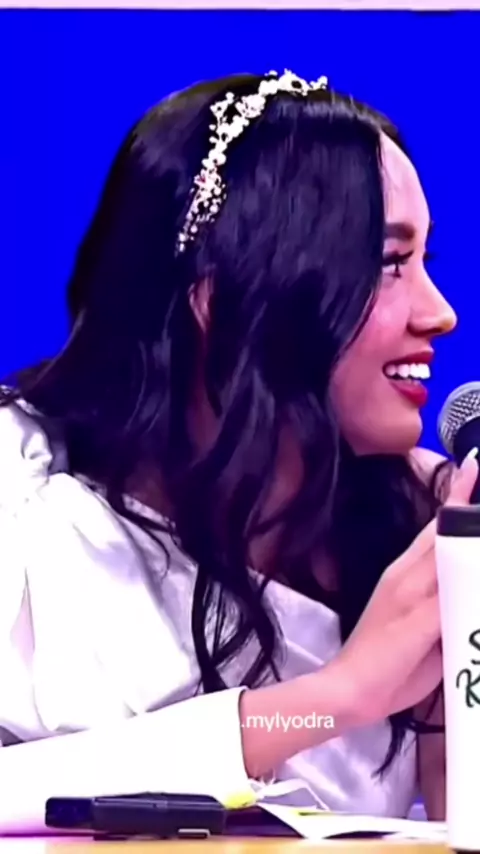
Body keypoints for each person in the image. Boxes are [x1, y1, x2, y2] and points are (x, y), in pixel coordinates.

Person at [0, 69, 476, 833]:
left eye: (425, 261)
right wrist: (334, 699)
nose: (442, 313)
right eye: (389, 264)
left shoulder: (416, 528)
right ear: (220, 298)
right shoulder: (26, 494)